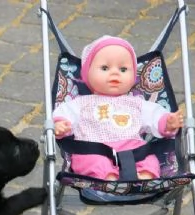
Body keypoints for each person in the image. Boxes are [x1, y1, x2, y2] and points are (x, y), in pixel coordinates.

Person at [53, 35, 184, 180]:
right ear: (86, 74)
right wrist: (60, 125)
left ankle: (145, 177)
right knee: (93, 162)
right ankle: (109, 179)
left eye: (123, 69)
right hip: (94, 150)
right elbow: (63, 114)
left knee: (150, 161)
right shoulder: (81, 103)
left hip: (134, 151)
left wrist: (168, 123)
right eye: (105, 68)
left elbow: (156, 117)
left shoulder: (137, 103)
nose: (115, 73)